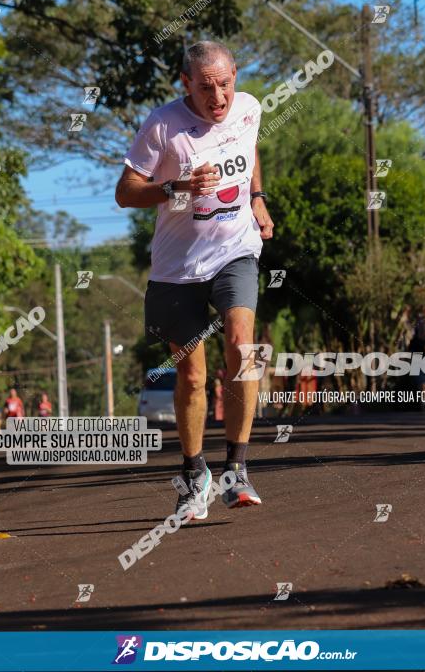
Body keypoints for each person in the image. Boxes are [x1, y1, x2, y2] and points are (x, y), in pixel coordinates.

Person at [116, 40, 274, 518]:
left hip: (236, 251)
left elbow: (249, 152)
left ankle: (237, 468)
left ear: (236, 76)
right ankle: (192, 473)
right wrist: (175, 188)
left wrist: (258, 198)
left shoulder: (249, 109)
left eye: (225, 83)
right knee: (192, 373)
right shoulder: (162, 126)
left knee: (243, 345)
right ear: (185, 82)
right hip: (178, 268)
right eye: (206, 87)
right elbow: (125, 192)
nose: (219, 96)